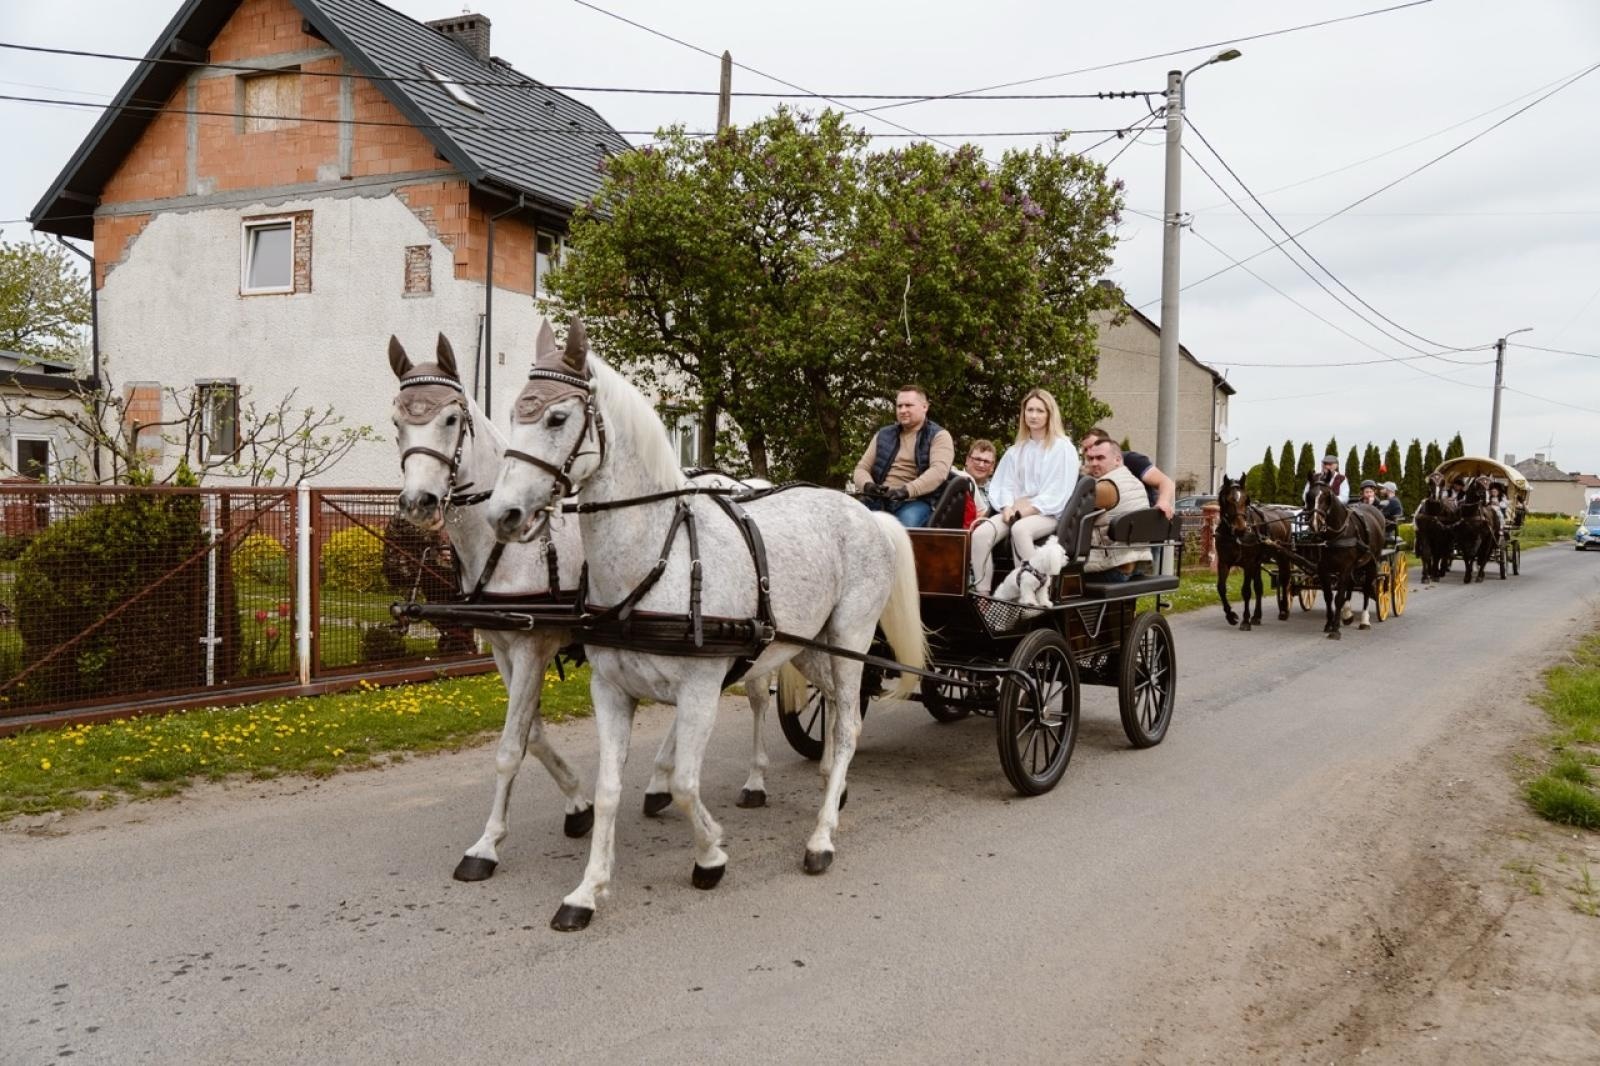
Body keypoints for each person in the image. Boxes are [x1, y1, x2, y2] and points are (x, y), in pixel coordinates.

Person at [968, 389, 1080, 594]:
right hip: (1014, 510)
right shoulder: (1017, 450)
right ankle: (982, 594)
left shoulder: (1063, 448)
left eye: (1040, 411)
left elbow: (1057, 492)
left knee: (1020, 529)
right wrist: (1006, 507)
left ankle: (1034, 591)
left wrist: (1023, 511)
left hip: (1047, 513)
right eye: (1030, 410)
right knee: (981, 534)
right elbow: (1004, 484)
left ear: (1050, 414)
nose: (1034, 415)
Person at [851, 385, 954, 528]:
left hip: (917, 502)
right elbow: (861, 468)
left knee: (900, 529)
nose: (902, 410)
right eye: (899, 406)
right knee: (847, 522)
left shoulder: (939, 436)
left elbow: (938, 473)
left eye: (908, 405)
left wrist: (906, 491)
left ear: (925, 407)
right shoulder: (883, 434)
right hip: (879, 500)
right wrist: (868, 486)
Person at [1082, 437, 1154, 581]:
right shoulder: (1134, 481)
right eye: (1090, 459)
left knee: (1053, 570)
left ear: (1117, 459)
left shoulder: (1105, 487)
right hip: (1136, 562)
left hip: (1112, 568)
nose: (1094, 463)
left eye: (1100, 458)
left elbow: (1072, 517)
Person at [1078, 427, 1175, 518]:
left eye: (1093, 446)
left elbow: (1165, 482)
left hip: (1142, 516)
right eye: (1085, 449)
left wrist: (1163, 502)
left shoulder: (1131, 459)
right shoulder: (1090, 470)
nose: (1089, 452)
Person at [953, 439, 998, 521]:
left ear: (992, 467)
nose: (981, 465)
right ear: (967, 460)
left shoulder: (998, 491)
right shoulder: (953, 482)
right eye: (977, 459)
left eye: (986, 462)